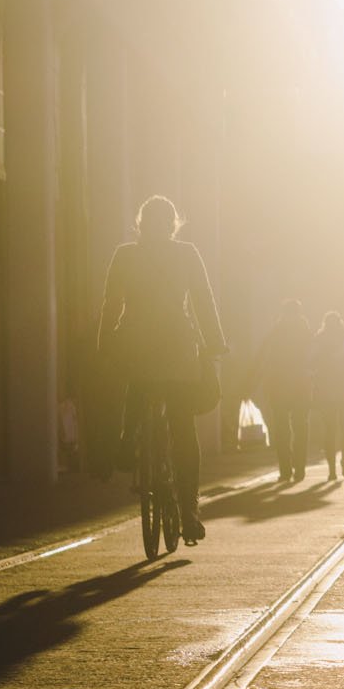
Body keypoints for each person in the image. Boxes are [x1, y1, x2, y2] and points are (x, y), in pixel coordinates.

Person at [98, 195, 226, 544]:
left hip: (137, 343)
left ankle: (127, 444)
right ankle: (188, 510)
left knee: (138, 387)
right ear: (173, 224)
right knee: (183, 428)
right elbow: (203, 299)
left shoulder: (125, 254)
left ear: (140, 223)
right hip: (177, 346)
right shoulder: (187, 253)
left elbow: (111, 303)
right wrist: (215, 342)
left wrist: (103, 344)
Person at [248, 300, 314, 484]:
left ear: (283, 313)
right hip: (301, 386)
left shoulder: (276, 331)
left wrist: (250, 382)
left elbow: (261, 356)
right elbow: (315, 359)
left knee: (282, 428)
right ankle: (299, 469)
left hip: (279, 386)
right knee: (301, 426)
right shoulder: (307, 332)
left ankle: (285, 470)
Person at [310, 311, 344, 480]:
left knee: (329, 430)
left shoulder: (318, 343)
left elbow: (310, 365)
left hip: (326, 392)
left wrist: (316, 382)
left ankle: (332, 470)